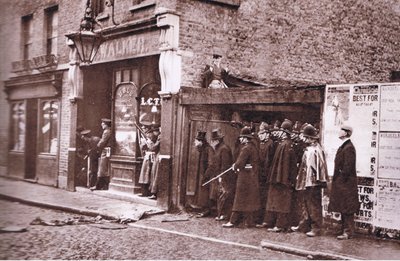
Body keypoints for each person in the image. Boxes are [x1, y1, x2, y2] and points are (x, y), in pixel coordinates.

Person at [291, 124, 329, 237]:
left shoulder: (316, 150)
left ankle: (316, 228)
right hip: (306, 181)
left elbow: (319, 167)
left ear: (310, 138)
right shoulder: (309, 149)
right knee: (306, 203)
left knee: (314, 205)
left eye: (305, 136)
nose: (303, 138)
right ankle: (304, 225)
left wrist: (317, 180)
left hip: (313, 182)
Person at [262, 119, 298, 232]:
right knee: (278, 202)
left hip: (282, 180)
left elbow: (287, 165)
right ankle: (277, 223)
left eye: (282, 131)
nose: (279, 133)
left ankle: (280, 225)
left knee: (282, 203)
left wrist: (284, 178)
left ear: (285, 132)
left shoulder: (286, 145)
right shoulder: (284, 144)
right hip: (280, 178)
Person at [222, 126, 260, 228]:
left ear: (245, 138)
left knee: (239, 199)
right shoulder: (254, 147)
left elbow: (240, 163)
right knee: (249, 200)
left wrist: (234, 166)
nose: (240, 139)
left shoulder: (246, 148)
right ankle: (249, 222)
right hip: (252, 176)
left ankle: (233, 221)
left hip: (244, 177)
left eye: (241, 137)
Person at [328, 124, 360, 240]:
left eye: (341, 130)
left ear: (346, 133)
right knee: (343, 207)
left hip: (346, 184)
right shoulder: (344, 146)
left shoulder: (349, 147)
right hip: (342, 183)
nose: (339, 132)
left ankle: (348, 232)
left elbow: (347, 167)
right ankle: (344, 230)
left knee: (347, 208)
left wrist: (340, 180)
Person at [209, 128, 235, 221]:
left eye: (213, 140)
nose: (212, 142)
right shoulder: (218, 148)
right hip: (219, 176)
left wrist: (221, 177)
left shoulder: (224, 149)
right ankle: (221, 214)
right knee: (220, 195)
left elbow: (225, 165)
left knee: (224, 196)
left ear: (217, 140)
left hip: (225, 177)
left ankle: (224, 214)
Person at [256, 122, 276, 225]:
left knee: (266, 198)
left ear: (267, 134)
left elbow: (268, 162)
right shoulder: (261, 144)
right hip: (260, 175)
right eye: (259, 133)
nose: (260, 135)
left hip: (266, 176)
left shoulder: (270, 144)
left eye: (262, 133)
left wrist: (265, 174)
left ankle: (266, 220)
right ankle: (260, 219)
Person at [193, 130, 212, 215]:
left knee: (206, 192)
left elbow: (211, 164)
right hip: (203, 174)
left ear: (200, 141)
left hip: (207, 175)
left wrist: (206, 175)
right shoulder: (202, 149)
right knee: (203, 192)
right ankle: (203, 208)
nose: (194, 142)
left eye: (196, 141)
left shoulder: (208, 149)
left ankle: (206, 210)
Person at [91, 118, 112, 190]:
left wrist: (97, 146)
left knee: (102, 168)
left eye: (103, 124)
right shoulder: (109, 130)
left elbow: (103, 142)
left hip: (105, 151)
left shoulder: (107, 131)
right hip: (107, 150)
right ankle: (103, 185)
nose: (101, 125)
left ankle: (99, 186)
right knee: (105, 168)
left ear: (106, 125)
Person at [138, 126, 160, 197]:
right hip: (149, 156)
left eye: (145, 128)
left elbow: (152, 147)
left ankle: (148, 192)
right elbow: (143, 147)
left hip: (151, 157)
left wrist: (147, 142)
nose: (143, 130)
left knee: (148, 175)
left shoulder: (154, 136)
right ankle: (146, 192)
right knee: (146, 175)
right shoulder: (151, 135)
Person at [148, 127, 161, 199]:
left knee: (155, 174)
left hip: (159, 157)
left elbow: (153, 147)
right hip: (158, 156)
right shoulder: (160, 136)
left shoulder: (160, 136)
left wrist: (149, 142)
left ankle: (154, 192)